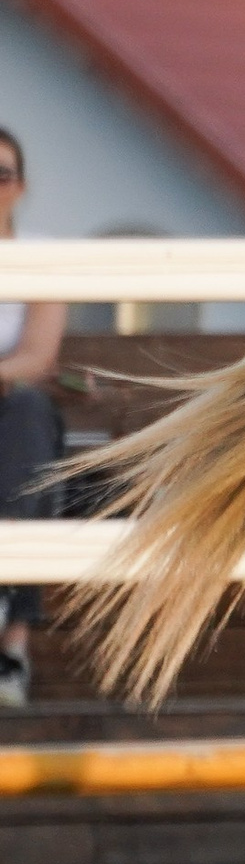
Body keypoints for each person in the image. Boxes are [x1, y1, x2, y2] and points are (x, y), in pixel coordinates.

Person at [0, 126, 67, 707]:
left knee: (26, 416)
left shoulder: (41, 255)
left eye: (3, 174)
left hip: (12, 412)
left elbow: (37, 357)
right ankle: (11, 653)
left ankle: (12, 641)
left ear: (21, 186)